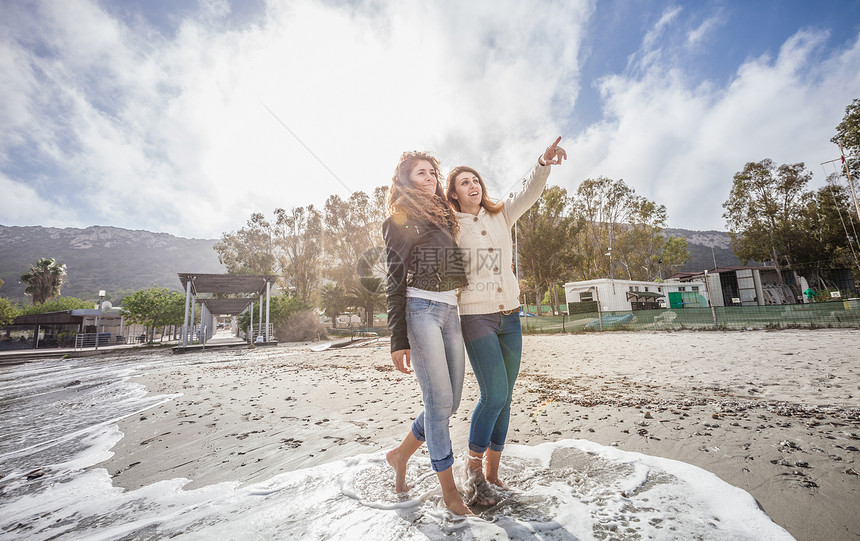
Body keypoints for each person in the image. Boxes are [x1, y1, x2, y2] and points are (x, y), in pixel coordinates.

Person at [445, 137, 566, 503]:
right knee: (493, 393)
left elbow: (529, 192)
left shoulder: (501, 214)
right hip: (475, 317)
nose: (473, 185)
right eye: (464, 182)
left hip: (511, 316)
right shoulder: (450, 226)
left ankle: (494, 476)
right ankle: (473, 470)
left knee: (507, 397)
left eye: (475, 179)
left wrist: (542, 163)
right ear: (453, 193)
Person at [382, 150, 472, 516]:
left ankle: (400, 454)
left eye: (432, 171)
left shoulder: (444, 216)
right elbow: (393, 280)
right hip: (420, 311)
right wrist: (398, 339)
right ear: (406, 180)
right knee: (438, 407)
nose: (431, 176)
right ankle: (450, 495)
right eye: (421, 173)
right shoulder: (398, 220)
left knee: (448, 404)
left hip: (451, 311)